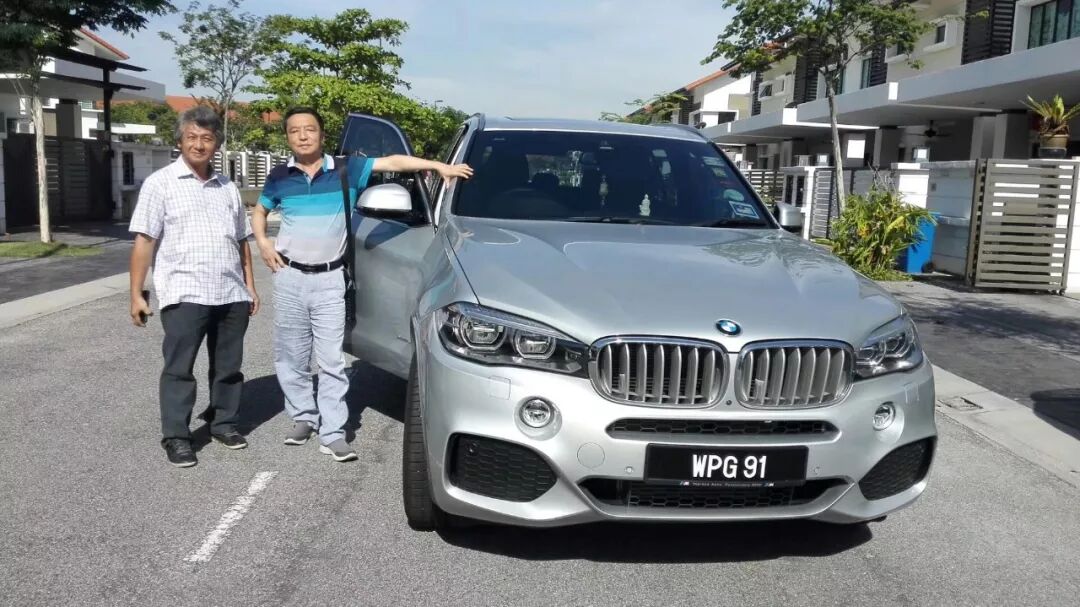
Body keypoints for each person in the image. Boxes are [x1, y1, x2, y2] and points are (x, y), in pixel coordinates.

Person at [251, 106, 472, 462]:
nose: (303, 136)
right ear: (288, 137)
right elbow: (260, 210)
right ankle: (303, 417)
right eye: (294, 131)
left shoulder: (346, 169)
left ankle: (333, 433)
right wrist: (263, 242)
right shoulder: (279, 177)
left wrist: (437, 166)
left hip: (329, 280)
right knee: (291, 356)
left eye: (310, 129)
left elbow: (394, 162)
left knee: (331, 360)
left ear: (322, 134)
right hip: (289, 278)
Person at [129, 105, 259, 468]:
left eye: (207, 138)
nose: (199, 144)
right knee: (179, 368)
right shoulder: (160, 183)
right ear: (180, 140)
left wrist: (250, 286)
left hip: (230, 292)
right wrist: (136, 293)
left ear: (217, 143)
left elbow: (241, 240)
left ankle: (224, 424)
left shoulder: (227, 187)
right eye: (192, 137)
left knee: (229, 367)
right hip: (184, 292)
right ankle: (177, 436)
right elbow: (144, 241)